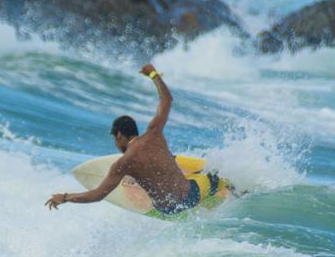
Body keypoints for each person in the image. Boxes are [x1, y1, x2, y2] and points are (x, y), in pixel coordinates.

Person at [45, 64, 225, 215]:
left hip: (165, 209)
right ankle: (227, 187)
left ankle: (149, 180)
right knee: (214, 177)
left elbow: (97, 195)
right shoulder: (155, 133)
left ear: (119, 135)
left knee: (153, 172)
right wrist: (153, 75)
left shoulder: (123, 164)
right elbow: (167, 99)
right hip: (188, 199)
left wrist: (65, 197)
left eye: (114, 139)